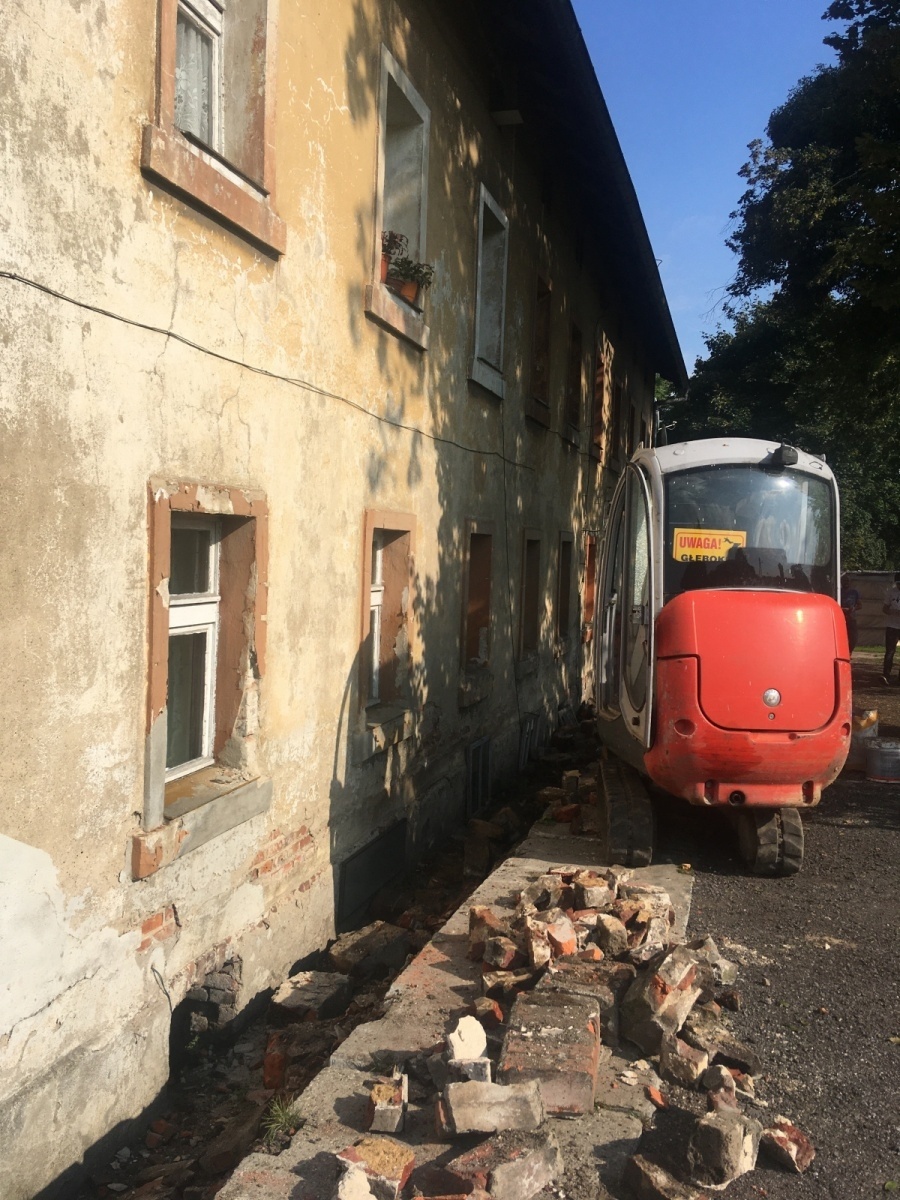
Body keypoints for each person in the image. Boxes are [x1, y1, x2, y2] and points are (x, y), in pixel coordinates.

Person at [882, 572, 900, 684]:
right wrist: (891, 612)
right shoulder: (891, 593)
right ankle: (886, 675)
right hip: (892, 625)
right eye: (898, 584)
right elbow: (884, 608)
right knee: (890, 651)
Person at [840, 573, 862, 654]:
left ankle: (849, 652)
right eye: (844, 580)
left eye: (847, 581)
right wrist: (841, 609)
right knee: (841, 637)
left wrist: (853, 608)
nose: (846, 582)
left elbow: (860, 605)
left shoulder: (854, 592)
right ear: (841, 582)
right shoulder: (838, 591)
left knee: (853, 638)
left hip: (851, 618)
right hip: (840, 618)